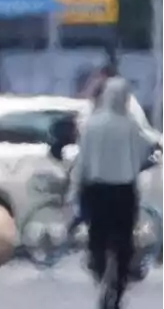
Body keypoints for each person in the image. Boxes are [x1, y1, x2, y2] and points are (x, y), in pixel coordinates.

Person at [66, 77, 157, 306]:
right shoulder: (129, 125)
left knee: (97, 236)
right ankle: (117, 285)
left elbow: (83, 161)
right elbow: (146, 150)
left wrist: (75, 189)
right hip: (124, 191)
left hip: (96, 190)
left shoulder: (92, 125)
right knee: (124, 239)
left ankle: (101, 273)